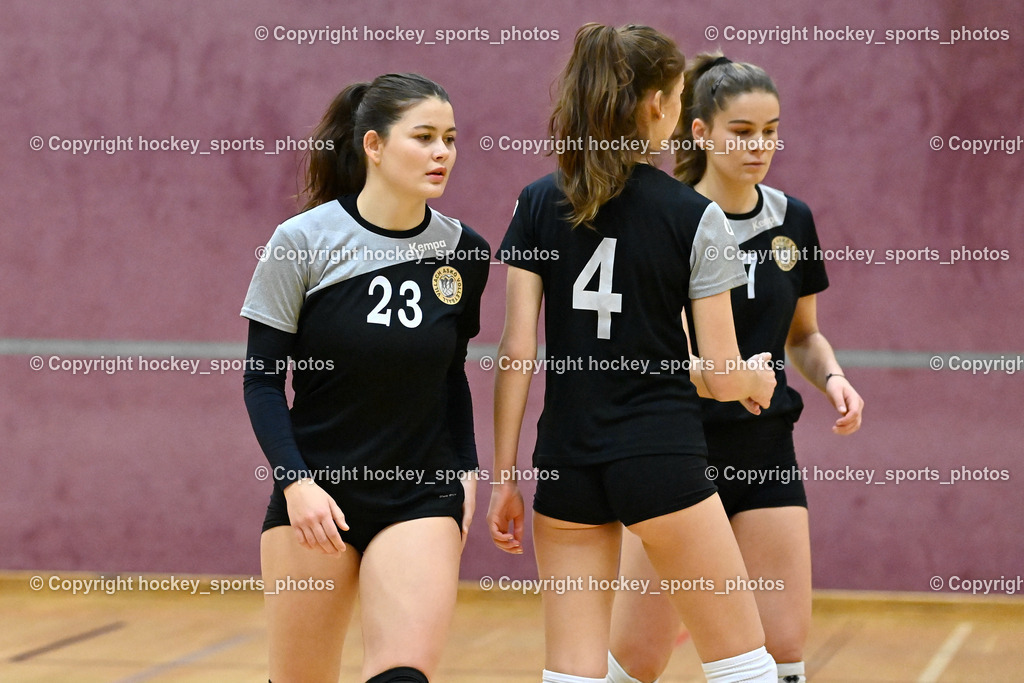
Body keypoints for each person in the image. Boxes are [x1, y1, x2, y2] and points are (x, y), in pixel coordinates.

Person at [486, 24, 780, 683]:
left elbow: (516, 352)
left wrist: (503, 476)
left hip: (564, 459)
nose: (676, 111)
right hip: (661, 456)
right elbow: (725, 373)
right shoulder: (694, 215)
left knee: (572, 674)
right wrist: (755, 378)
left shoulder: (536, 203)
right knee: (745, 666)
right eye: (677, 97)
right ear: (655, 103)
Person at [607, 54, 865, 683]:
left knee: (782, 648)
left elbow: (803, 335)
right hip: (675, 450)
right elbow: (667, 357)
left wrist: (831, 376)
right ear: (699, 132)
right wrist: (732, 378)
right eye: (742, 132)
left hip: (765, 446)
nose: (759, 146)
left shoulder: (792, 220)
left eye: (770, 131)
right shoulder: (669, 218)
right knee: (639, 656)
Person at [240, 72, 489, 683]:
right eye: (424, 137)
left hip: (421, 491)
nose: (441, 153)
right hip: (319, 495)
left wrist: (465, 469)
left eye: (450, 139)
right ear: (373, 146)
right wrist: (296, 484)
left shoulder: (465, 252)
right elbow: (263, 382)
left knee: (402, 675)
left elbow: (449, 376)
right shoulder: (302, 241)